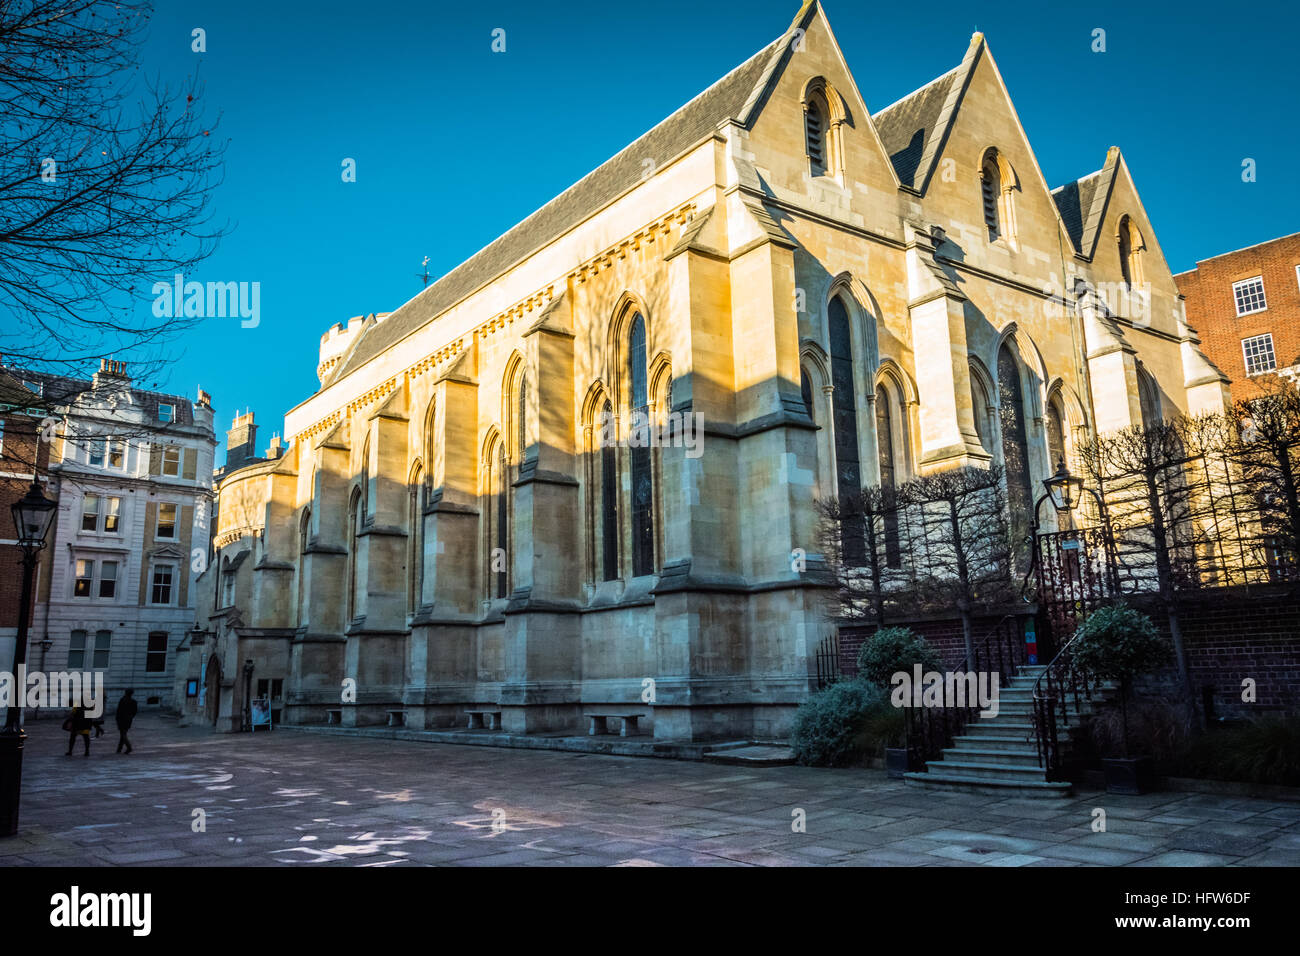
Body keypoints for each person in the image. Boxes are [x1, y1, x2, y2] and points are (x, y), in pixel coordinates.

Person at [115, 689, 138, 754]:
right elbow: (135, 711)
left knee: (123, 734)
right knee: (123, 734)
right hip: (128, 719)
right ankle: (119, 749)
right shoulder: (134, 701)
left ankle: (129, 747)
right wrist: (131, 716)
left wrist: (117, 719)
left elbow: (118, 710)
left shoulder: (122, 700)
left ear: (125, 693)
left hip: (121, 719)